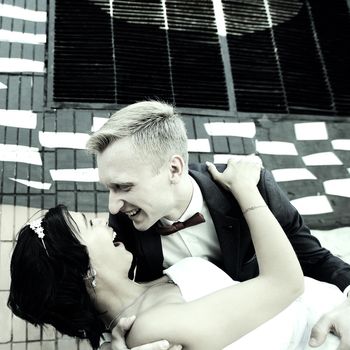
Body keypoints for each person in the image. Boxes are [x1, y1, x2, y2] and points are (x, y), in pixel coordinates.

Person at [85, 100, 350, 350]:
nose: (112, 206)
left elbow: (315, 258)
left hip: (298, 325)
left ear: (174, 169)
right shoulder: (124, 221)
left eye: (124, 186)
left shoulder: (251, 189)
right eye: (109, 188)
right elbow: (108, 292)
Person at [9, 158, 345, 350]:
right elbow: (285, 283)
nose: (105, 218)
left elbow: (312, 258)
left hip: (335, 308)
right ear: (86, 272)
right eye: (88, 224)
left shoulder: (150, 280)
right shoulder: (149, 332)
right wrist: (244, 188)